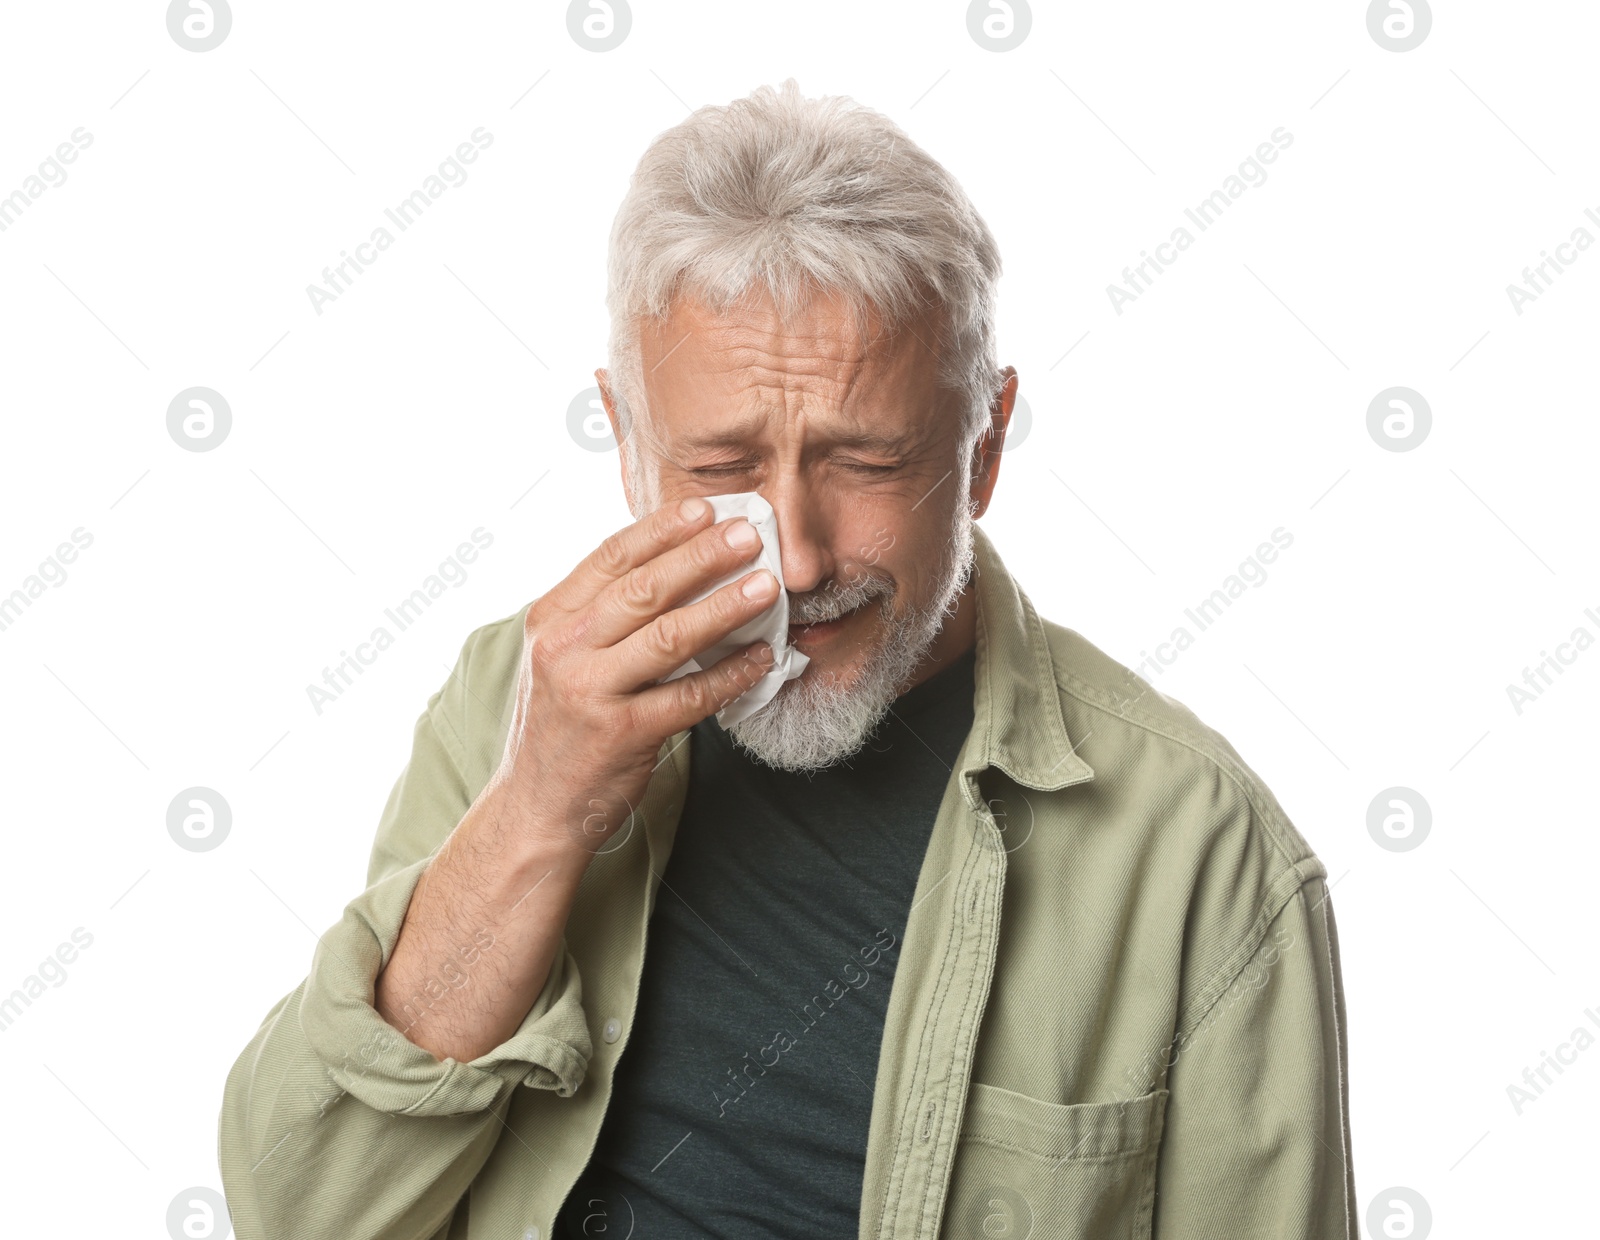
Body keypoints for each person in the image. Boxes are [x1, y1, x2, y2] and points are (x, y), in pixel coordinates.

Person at [219, 80, 1356, 1240]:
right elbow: (301, 1211)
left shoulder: (1204, 850)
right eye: (720, 467)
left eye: (864, 461)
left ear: (981, 450)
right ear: (627, 445)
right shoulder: (517, 696)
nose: (800, 559)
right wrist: (540, 808)